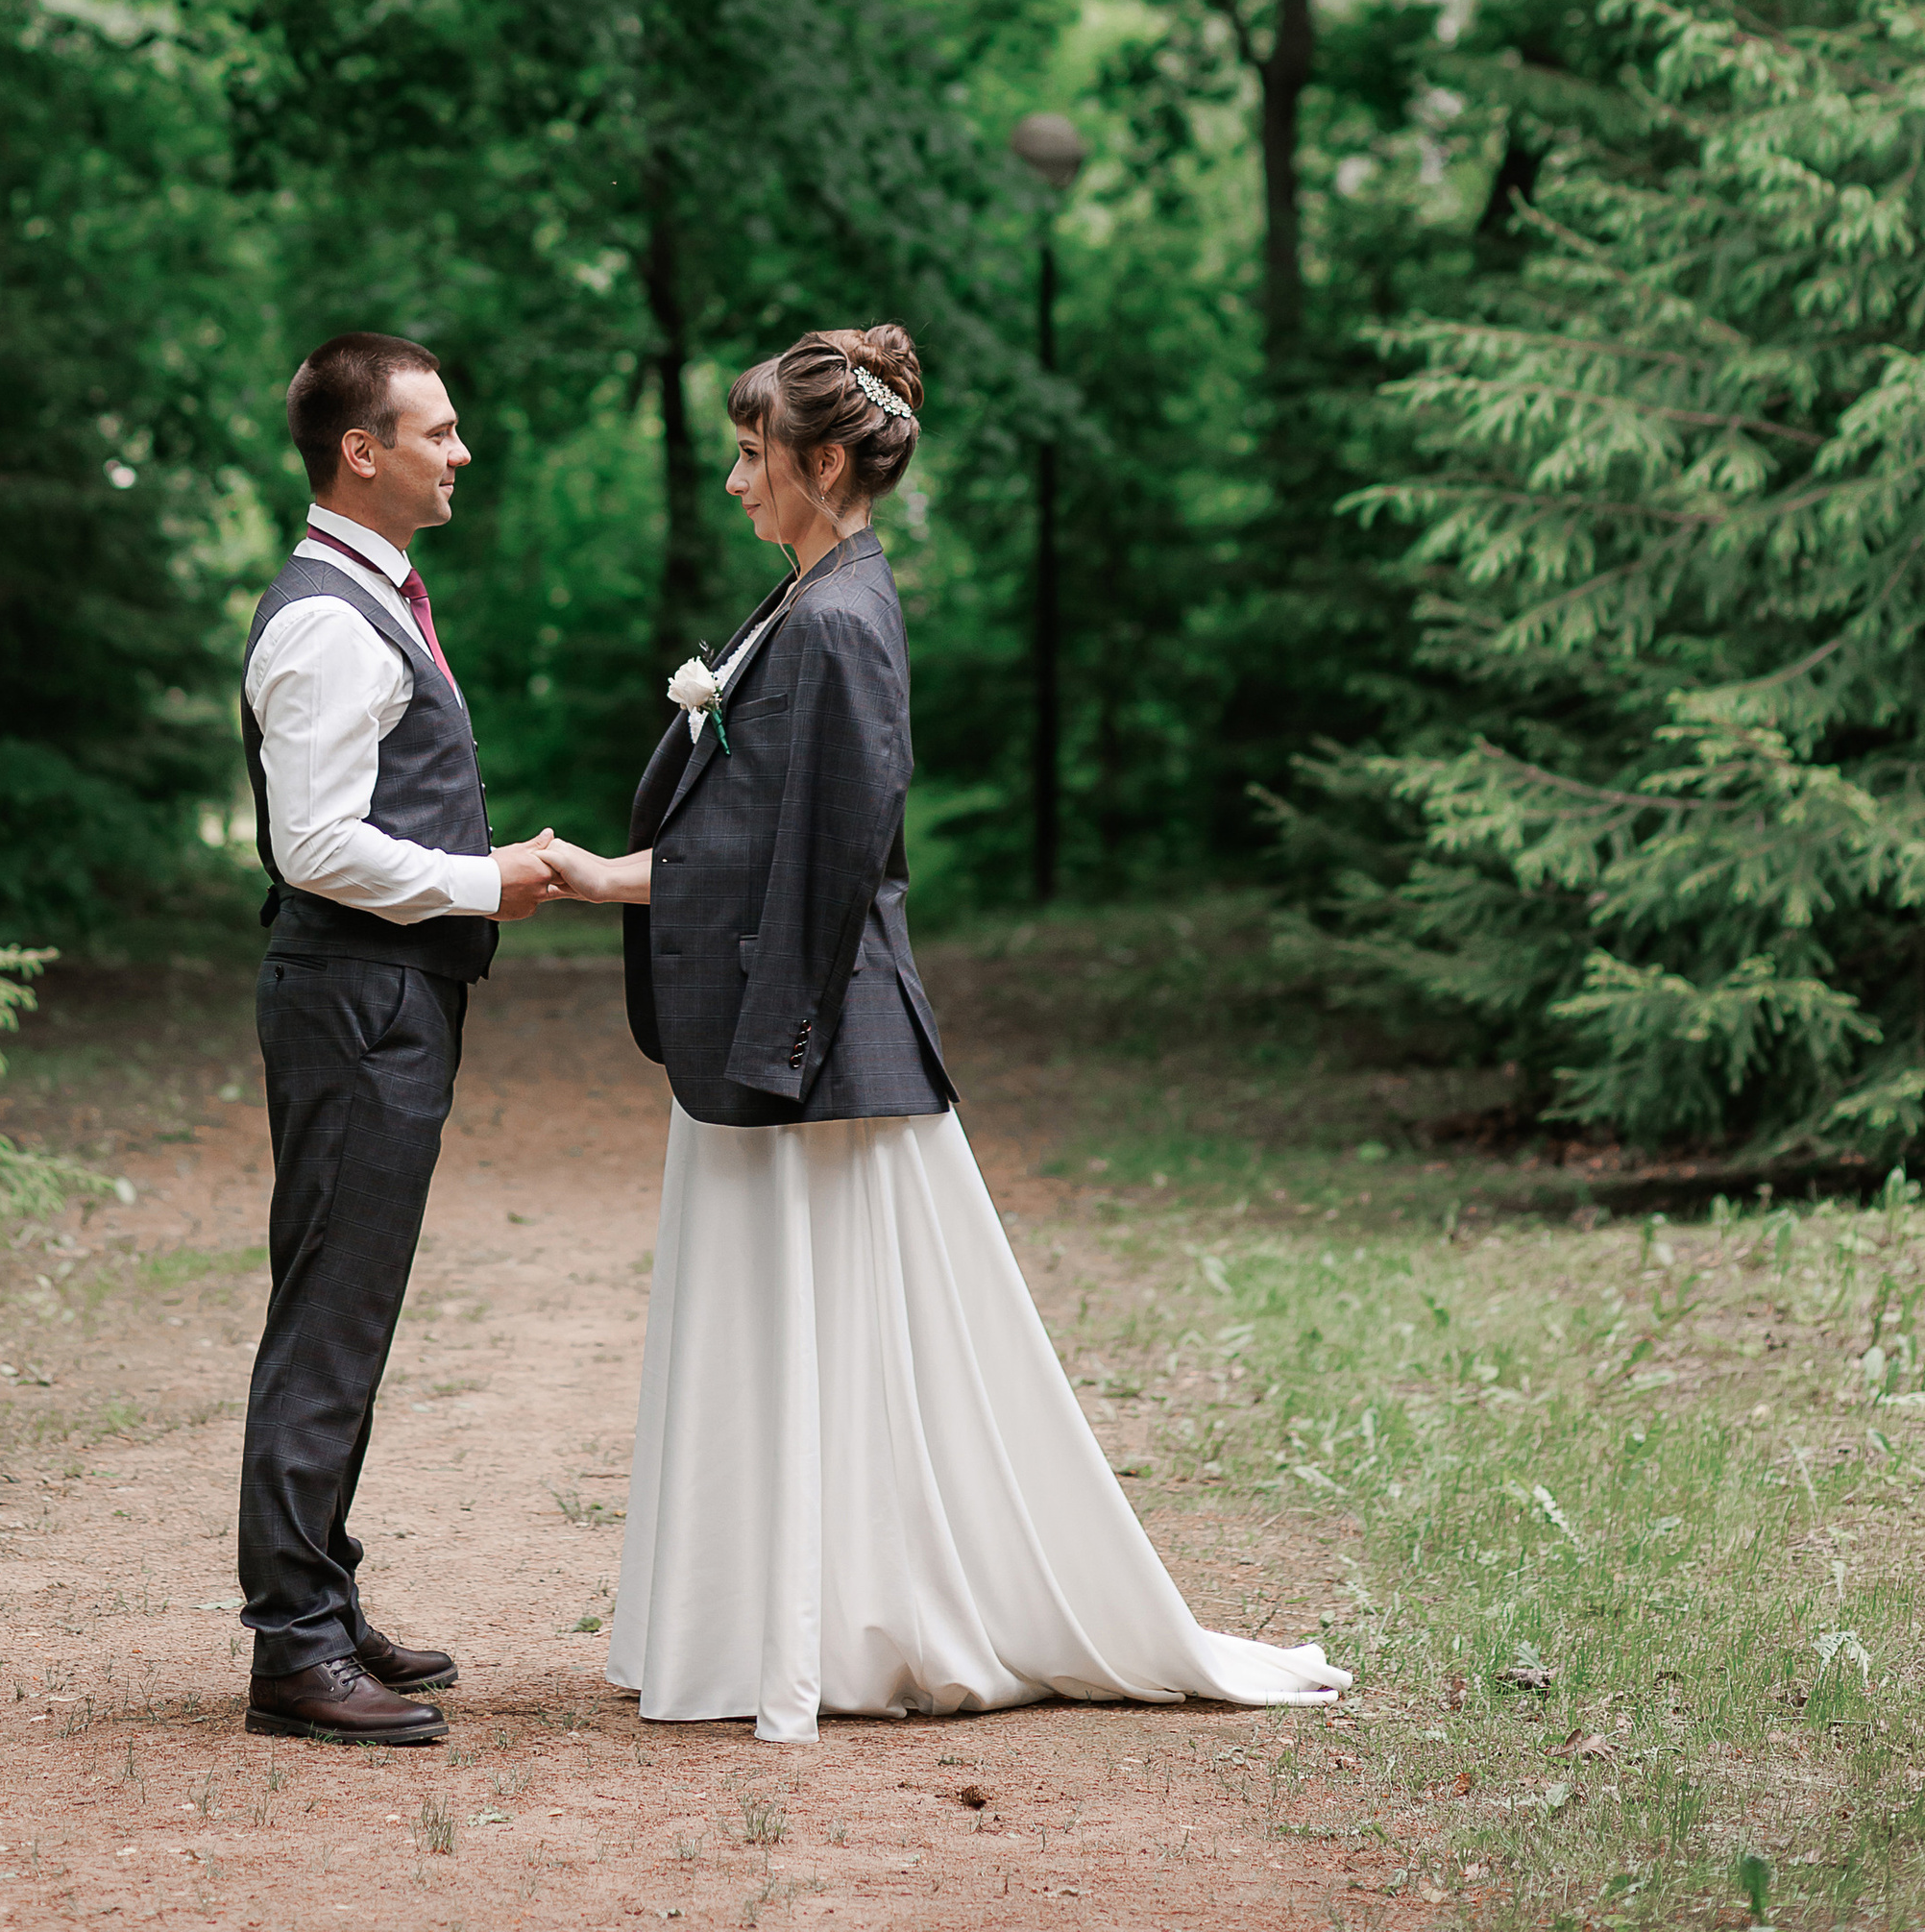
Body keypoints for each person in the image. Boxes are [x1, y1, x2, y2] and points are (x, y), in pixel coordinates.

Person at [542, 323, 1349, 1746]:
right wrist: (615, 875)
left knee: (845, 1337)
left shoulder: (844, 622)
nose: (735, 481)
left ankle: (849, 1625)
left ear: (828, 459)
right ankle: (776, 1618)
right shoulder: (799, 605)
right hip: (776, 1039)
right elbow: (746, 833)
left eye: (751, 453)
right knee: (792, 1338)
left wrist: (775, 1051)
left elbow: (839, 858)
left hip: (814, 1058)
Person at [233, 331, 559, 1748]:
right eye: (437, 430)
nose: (460, 450)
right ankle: (294, 1647)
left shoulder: (374, 601)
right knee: (330, 1313)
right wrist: (489, 883)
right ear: (360, 451)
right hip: (357, 998)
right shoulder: (323, 618)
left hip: (385, 998)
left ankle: (322, 1593)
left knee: (348, 1307)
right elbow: (315, 845)